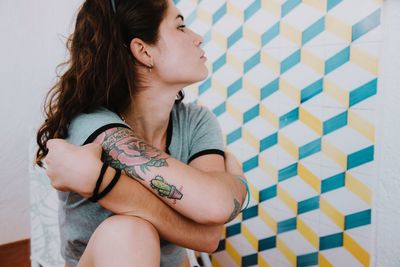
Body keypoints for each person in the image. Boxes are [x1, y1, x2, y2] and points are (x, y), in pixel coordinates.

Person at [35, 0, 249, 266]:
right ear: (144, 51)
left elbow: (209, 234)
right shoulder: (91, 125)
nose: (197, 37)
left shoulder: (196, 121)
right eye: (181, 26)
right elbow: (216, 207)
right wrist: (234, 181)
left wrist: (100, 181)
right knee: (129, 232)